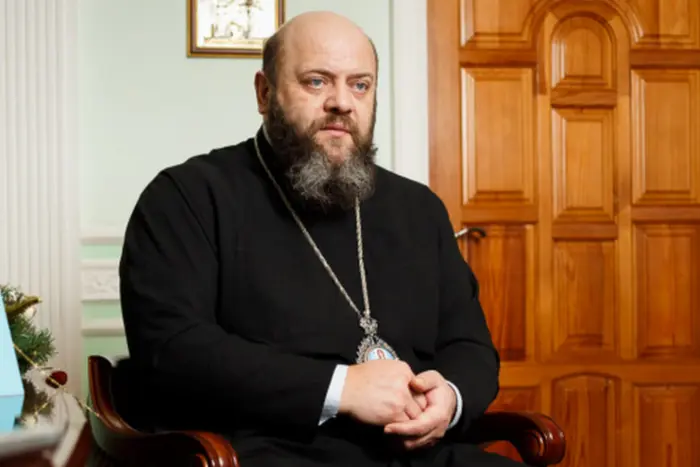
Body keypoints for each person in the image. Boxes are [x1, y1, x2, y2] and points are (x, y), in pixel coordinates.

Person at [119, 10, 523, 467]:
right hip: (267, 450)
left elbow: (469, 344)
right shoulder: (187, 197)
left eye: (360, 84)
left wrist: (448, 399)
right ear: (264, 92)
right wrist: (342, 388)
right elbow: (172, 350)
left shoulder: (419, 208)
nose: (342, 102)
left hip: (416, 452)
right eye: (316, 82)